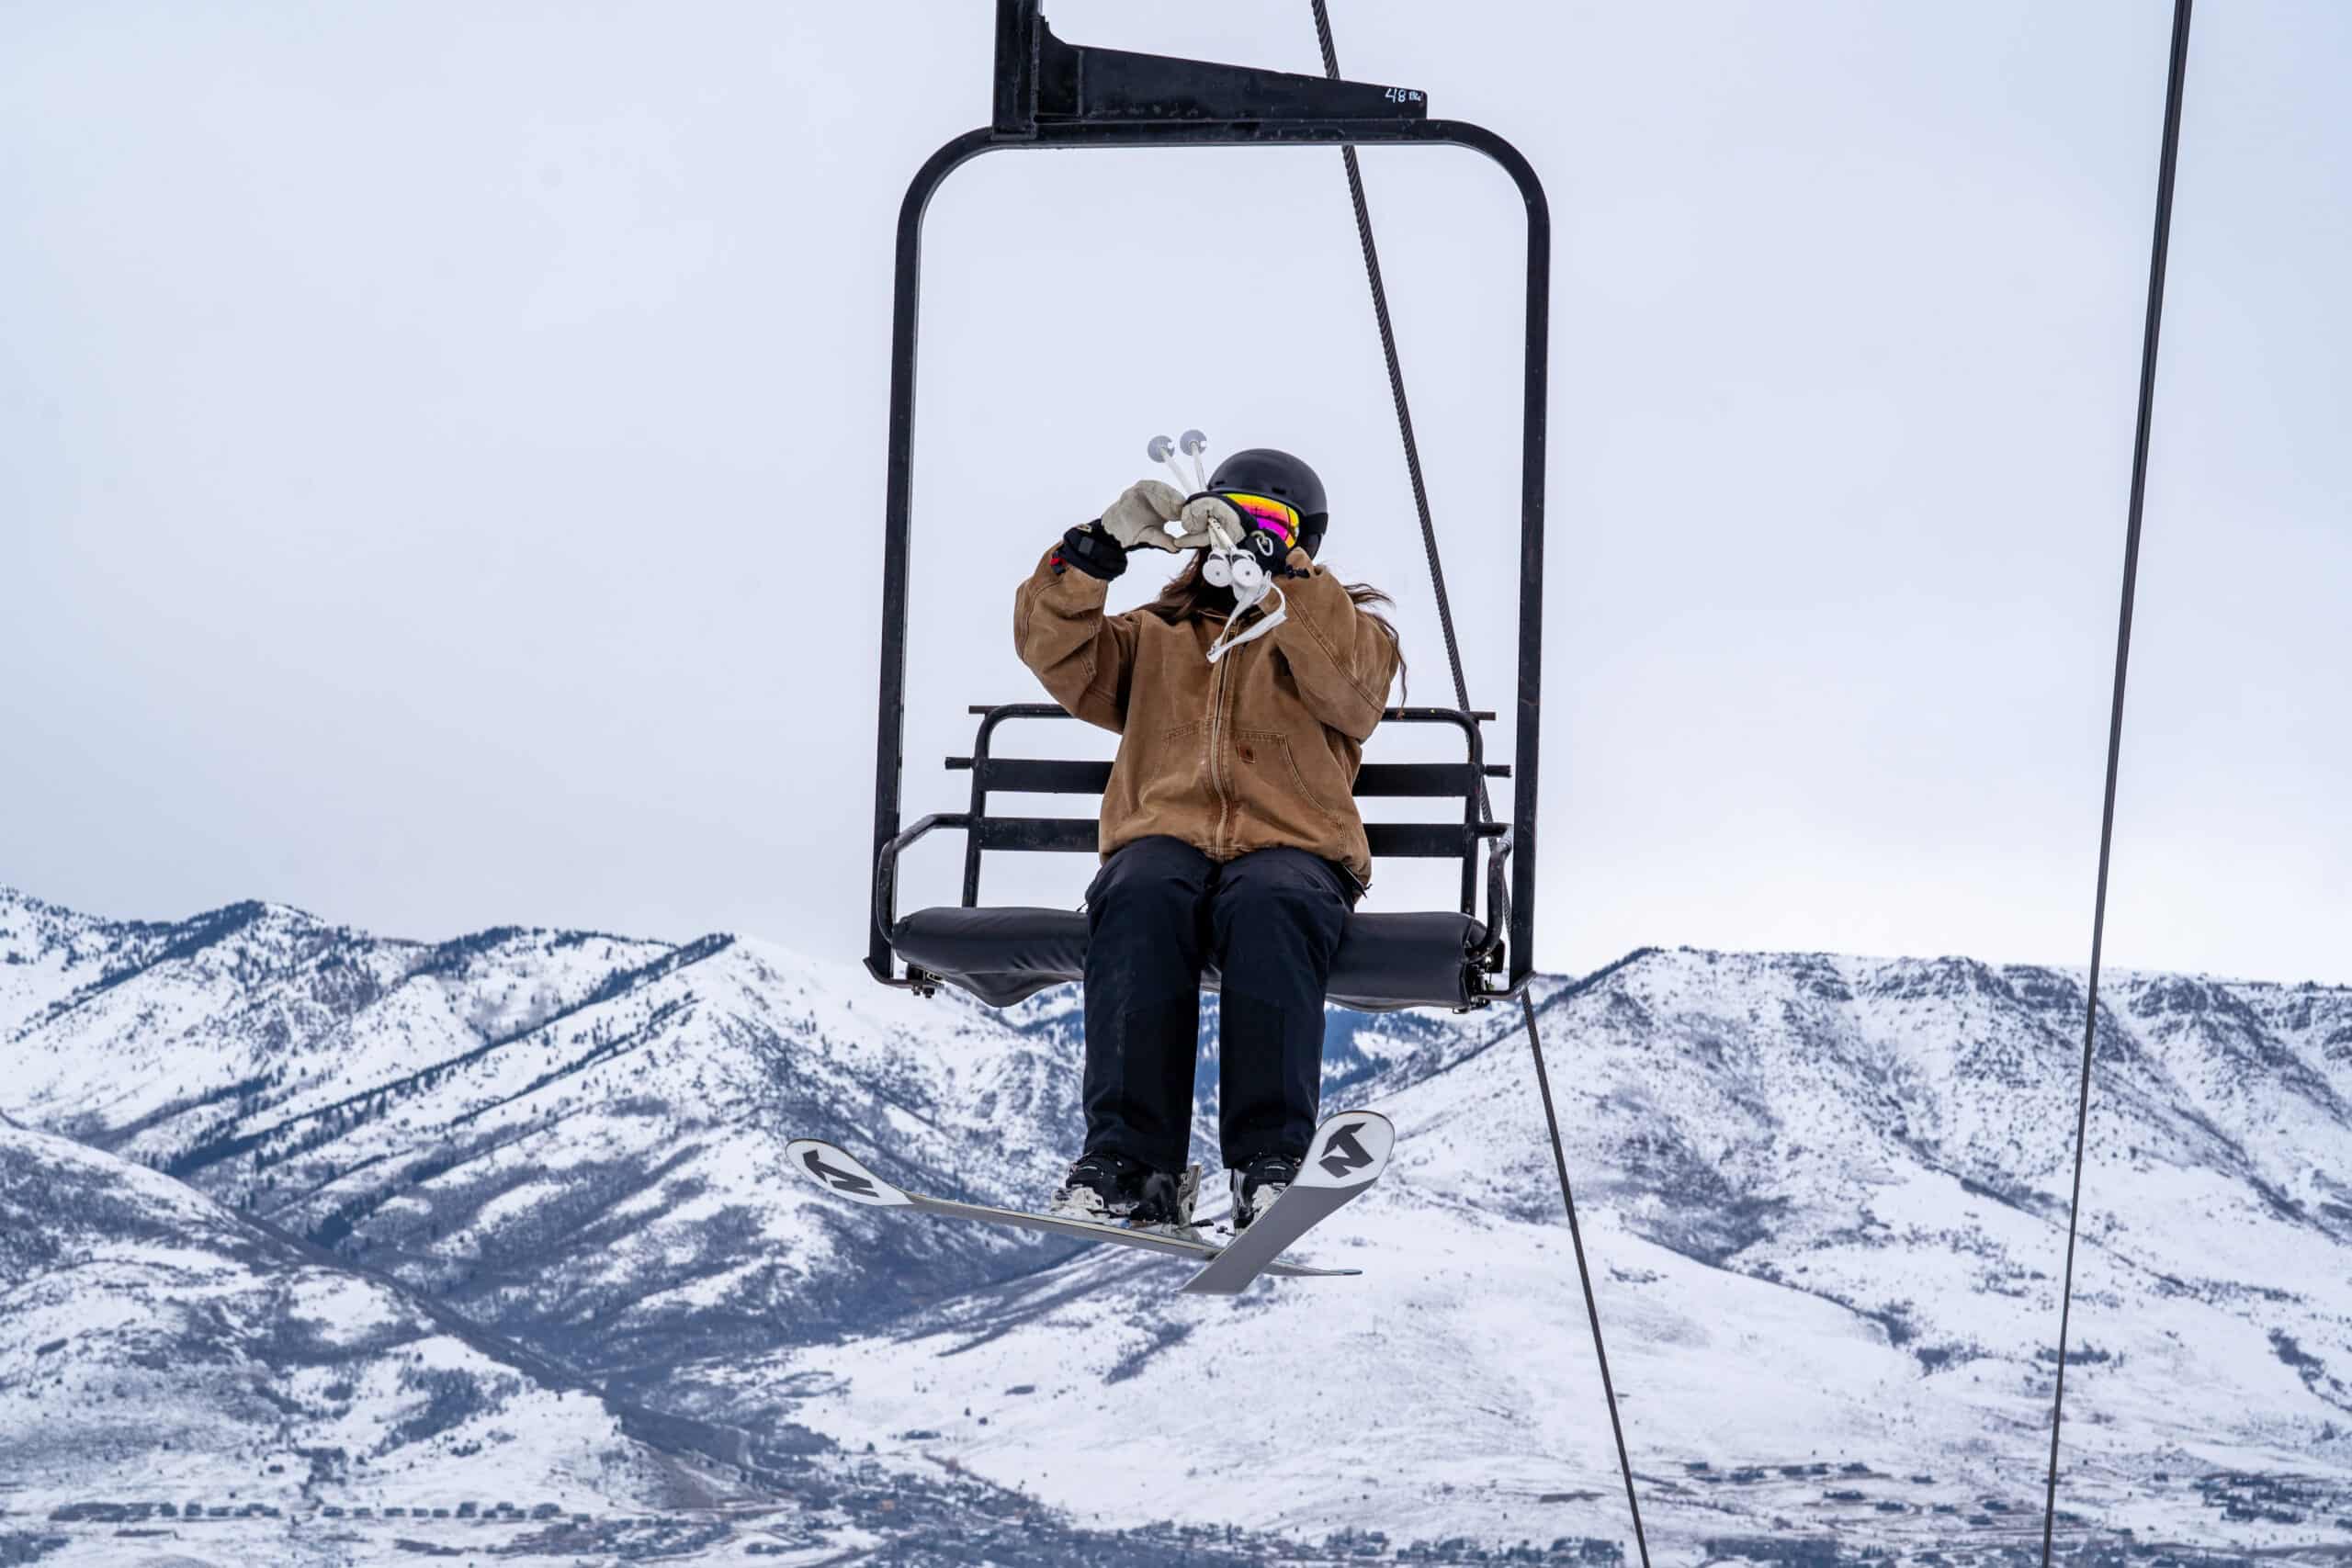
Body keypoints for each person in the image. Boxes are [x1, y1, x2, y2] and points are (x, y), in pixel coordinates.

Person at [1012, 447, 1404, 1230]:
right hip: (1168, 841)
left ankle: (1270, 1161)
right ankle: (1129, 1164)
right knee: (1140, 888)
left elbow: (1354, 695)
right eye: (1227, 520)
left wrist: (1280, 579)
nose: (1237, 543)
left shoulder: (1337, 631)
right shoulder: (1156, 637)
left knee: (1271, 898)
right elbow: (1053, 650)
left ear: (1301, 543)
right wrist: (1098, 547)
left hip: (1292, 847)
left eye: (1267, 525)